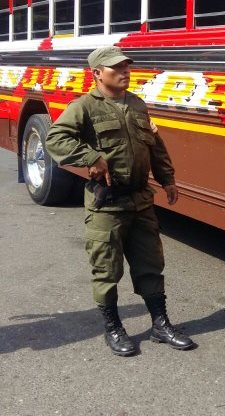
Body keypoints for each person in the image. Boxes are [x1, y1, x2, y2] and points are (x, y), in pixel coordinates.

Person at [45, 46, 194, 356]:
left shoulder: (137, 104)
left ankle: (160, 324)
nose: (126, 72)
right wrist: (90, 156)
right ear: (97, 73)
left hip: (141, 200)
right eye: (117, 68)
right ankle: (113, 328)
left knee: (151, 265)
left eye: (127, 66)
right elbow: (55, 139)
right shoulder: (84, 107)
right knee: (107, 270)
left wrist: (167, 179)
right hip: (107, 204)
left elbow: (155, 145)